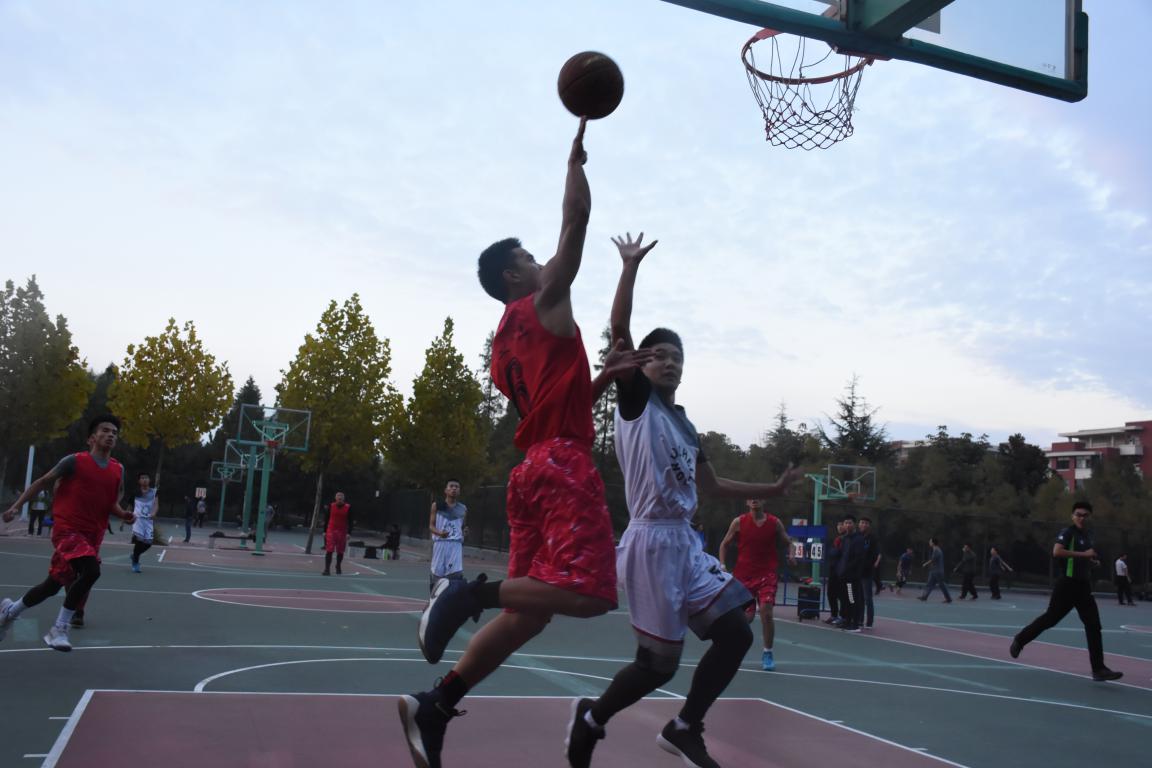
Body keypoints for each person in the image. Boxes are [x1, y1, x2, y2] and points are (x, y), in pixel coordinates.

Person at [398, 121, 651, 768]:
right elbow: (577, 223)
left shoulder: (501, 350)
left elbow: (552, 406)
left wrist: (600, 380)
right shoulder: (544, 300)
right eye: (532, 258)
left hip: (531, 472)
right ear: (515, 273)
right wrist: (575, 163)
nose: (543, 262)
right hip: (564, 468)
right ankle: (465, 594)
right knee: (592, 596)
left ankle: (436, 703)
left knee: (530, 613)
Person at [564, 234, 805, 768]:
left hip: (685, 543)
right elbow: (619, 329)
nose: (670, 363)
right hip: (651, 541)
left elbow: (712, 486)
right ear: (641, 364)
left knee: (736, 633)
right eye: (660, 356)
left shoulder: (686, 425)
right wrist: (629, 267)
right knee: (658, 665)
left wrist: (772, 490)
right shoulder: (637, 403)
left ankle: (684, 726)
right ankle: (592, 718)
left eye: (677, 357)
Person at [0, 415, 134, 651]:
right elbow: (42, 482)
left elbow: (110, 502)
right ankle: (59, 629)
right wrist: (16, 506)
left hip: (93, 535)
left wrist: (123, 514)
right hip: (68, 530)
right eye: (105, 430)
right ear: (92, 438)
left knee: (52, 586)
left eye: (114, 432)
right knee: (91, 571)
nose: (111, 435)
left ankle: (10, 611)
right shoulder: (74, 462)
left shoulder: (117, 469)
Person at [1010, 501, 1122, 681]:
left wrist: (1091, 563)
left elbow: (1082, 559)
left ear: (1090, 517)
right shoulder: (1068, 532)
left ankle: (1098, 669)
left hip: (1083, 586)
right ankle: (1020, 639)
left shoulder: (1089, 535)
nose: (1081, 518)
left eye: (1085, 515)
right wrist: (1084, 555)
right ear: (1072, 516)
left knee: (1093, 625)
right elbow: (1057, 551)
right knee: (1050, 619)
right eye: (1078, 514)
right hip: (1067, 585)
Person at [719, 499, 796, 671]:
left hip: (767, 575)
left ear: (764, 500)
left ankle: (767, 652)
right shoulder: (739, 522)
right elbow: (724, 544)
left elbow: (789, 542)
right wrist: (723, 566)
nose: (754, 500)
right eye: (751, 497)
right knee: (745, 618)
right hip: (743, 576)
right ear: (747, 502)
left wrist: (792, 554)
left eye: (758, 497)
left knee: (766, 612)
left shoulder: (774, 522)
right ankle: (731, 649)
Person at [428, 480, 467, 593]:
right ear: (446, 490)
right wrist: (440, 533)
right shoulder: (437, 505)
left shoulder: (463, 508)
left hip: (455, 545)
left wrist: (465, 532)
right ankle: (434, 599)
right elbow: (431, 526)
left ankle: (452, 600)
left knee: (455, 576)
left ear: (459, 491)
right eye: (451, 486)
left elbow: (463, 527)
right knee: (437, 575)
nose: (454, 488)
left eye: (457, 487)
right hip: (440, 544)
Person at [836, 514, 864, 632]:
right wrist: (840, 569)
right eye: (846, 523)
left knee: (852, 599)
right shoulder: (844, 539)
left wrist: (848, 569)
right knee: (845, 599)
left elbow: (858, 558)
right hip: (843, 575)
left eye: (850, 523)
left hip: (852, 576)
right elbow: (842, 556)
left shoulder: (858, 539)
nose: (847, 525)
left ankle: (855, 624)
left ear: (854, 524)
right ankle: (847, 620)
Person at [129, 472, 158, 573]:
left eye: (146, 478)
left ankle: (134, 555)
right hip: (138, 520)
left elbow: (156, 505)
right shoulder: (135, 492)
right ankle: (135, 564)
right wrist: (124, 519)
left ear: (149, 480)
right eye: (142, 478)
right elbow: (130, 506)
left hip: (148, 520)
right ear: (139, 481)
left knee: (148, 543)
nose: (145, 480)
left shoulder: (154, 492)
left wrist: (154, 513)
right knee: (139, 541)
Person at [857, 516, 879, 627]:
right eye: (862, 522)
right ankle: (859, 619)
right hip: (857, 572)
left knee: (867, 598)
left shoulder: (872, 538)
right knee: (859, 597)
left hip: (867, 572)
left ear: (869, 525)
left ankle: (869, 621)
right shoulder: (857, 536)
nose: (863, 525)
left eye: (866, 523)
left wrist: (867, 566)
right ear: (859, 524)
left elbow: (874, 555)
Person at [323, 492, 352, 575]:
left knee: (340, 551)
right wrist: (324, 531)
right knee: (329, 549)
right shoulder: (331, 506)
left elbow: (350, 521)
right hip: (331, 530)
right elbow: (326, 518)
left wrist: (349, 532)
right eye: (338, 498)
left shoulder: (348, 507)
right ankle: (327, 569)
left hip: (342, 531)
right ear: (335, 498)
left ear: (343, 499)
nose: (339, 499)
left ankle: (338, 566)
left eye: (341, 498)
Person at [823, 519, 845, 624]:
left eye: (842, 525)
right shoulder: (837, 539)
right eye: (838, 525)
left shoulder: (846, 539)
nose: (839, 527)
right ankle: (834, 615)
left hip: (842, 572)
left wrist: (835, 552)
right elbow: (832, 553)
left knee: (844, 595)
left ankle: (844, 616)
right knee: (831, 593)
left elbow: (838, 553)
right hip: (833, 570)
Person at [917, 537, 953, 603]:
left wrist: (925, 564)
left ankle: (948, 599)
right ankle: (924, 597)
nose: (929, 542)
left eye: (930, 541)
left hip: (937, 571)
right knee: (929, 584)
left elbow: (932, 560)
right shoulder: (936, 550)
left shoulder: (937, 550)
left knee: (942, 585)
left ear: (933, 543)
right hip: (934, 571)